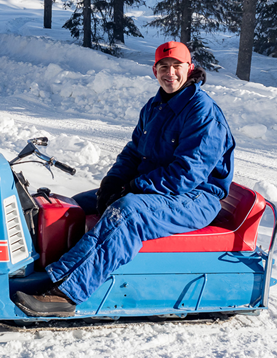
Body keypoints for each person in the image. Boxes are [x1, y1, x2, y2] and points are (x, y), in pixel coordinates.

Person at [13, 41, 235, 317]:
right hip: (160, 190)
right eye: (163, 67)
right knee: (78, 204)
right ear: (154, 70)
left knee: (127, 213)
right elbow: (133, 152)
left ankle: (67, 294)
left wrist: (133, 187)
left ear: (189, 69)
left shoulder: (202, 111)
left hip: (195, 198)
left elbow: (187, 173)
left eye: (177, 66)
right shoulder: (155, 105)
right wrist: (112, 181)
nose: (170, 73)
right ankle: (52, 274)